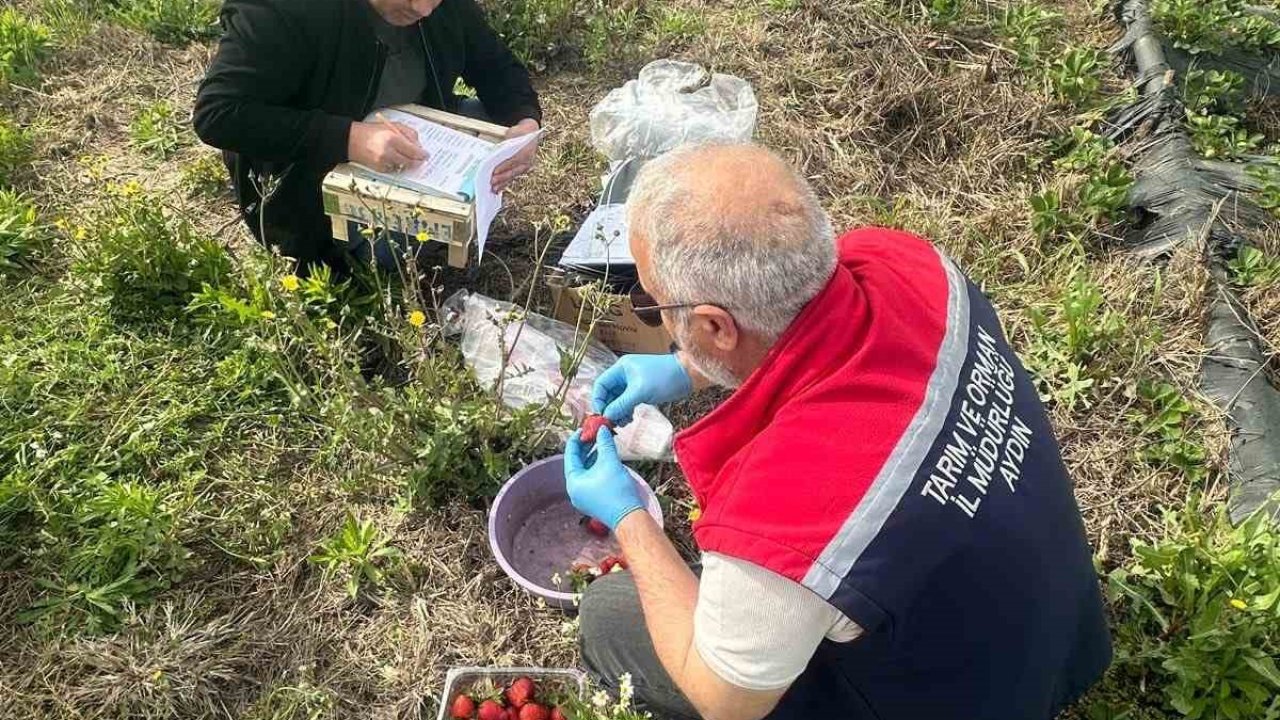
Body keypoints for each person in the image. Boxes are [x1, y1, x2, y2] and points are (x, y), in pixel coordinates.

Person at [562, 144, 1112, 720]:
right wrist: (688, 366)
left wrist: (629, 518)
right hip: (1053, 630)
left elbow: (725, 700)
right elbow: (808, 316)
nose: (654, 313)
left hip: (955, 698)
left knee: (611, 615)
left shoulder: (783, 514)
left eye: (652, 305)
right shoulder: (908, 262)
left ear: (715, 325)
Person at [193, 0, 541, 273]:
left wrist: (525, 123)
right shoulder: (283, 8)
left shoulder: (438, 3)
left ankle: (446, 220)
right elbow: (217, 113)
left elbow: (495, 66)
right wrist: (350, 139)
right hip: (310, 185)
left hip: (414, 142)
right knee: (385, 255)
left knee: (488, 127)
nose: (423, 8)